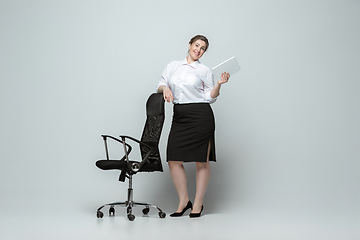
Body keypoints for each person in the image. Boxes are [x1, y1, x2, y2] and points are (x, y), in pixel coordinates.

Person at [156, 35, 230, 218]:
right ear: (189, 45)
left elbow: (210, 97)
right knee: (173, 160)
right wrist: (165, 89)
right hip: (180, 116)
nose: (198, 49)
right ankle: (183, 201)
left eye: (203, 48)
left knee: (201, 161)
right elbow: (160, 83)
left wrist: (219, 84)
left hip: (200, 117)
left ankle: (198, 203)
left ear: (204, 52)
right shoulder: (173, 66)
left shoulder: (204, 70)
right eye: (196, 45)